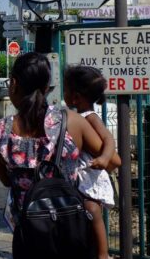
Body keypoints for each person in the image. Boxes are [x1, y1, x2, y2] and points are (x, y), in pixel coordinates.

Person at [0, 52, 119, 257]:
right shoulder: (72, 122)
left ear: (13, 84)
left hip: (29, 235)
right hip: (71, 228)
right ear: (47, 87)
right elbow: (113, 161)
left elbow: (7, 181)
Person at [63, 65, 121, 259]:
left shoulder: (90, 117)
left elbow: (108, 139)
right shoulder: (77, 116)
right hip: (82, 173)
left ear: (76, 97)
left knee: (92, 209)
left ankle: (103, 254)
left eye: (66, 90)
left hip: (91, 175)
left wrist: (104, 158)